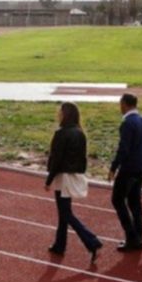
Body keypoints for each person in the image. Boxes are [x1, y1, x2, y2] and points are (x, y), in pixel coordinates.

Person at [45, 102, 103, 264]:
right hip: (74, 175)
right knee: (64, 211)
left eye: (60, 112)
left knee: (66, 213)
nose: (58, 114)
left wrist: (49, 180)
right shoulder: (80, 133)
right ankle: (60, 244)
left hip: (63, 176)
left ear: (65, 114)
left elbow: (56, 159)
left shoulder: (61, 133)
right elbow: (83, 158)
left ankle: (92, 242)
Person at [107, 93, 142, 252]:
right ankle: (138, 236)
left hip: (129, 168)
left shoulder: (127, 123)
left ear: (124, 104)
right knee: (135, 201)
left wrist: (113, 167)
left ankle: (132, 236)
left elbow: (123, 148)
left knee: (118, 200)